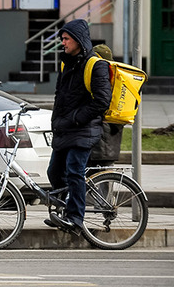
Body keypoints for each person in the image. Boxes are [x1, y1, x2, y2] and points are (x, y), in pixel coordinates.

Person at [44, 19, 111, 232]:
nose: (62, 43)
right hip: (65, 128)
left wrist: (75, 118)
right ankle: (66, 210)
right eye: (62, 39)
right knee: (54, 172)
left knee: (74, 170)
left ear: (78, 40)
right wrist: (56, 121)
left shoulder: (96, 65)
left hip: (84, 128)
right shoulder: (66, 63)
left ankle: (75, 219)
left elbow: (102, 101)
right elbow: (59, 96)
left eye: (66, 39)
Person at [87, 43, 123, 169]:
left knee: (97, 176)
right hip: (110, 144)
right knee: (104, 175)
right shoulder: (117, 80)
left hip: (100, 144)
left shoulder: (101, 79)